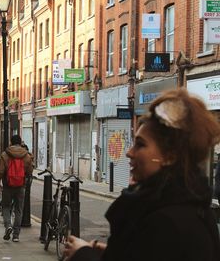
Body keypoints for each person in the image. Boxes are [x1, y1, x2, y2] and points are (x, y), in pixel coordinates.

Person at [64, 89, 220, 261]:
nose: (129, 153)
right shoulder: (193, 208)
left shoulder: (165, 222)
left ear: (170, 156)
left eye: (140, 144)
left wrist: (83, 255)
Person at [0, 135, 33, 242]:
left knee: (6, 207)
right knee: (19, 209)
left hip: (7, 186)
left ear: (11, 142)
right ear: (20, 143)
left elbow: (0, 171)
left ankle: (8, 226)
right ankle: (16, 235)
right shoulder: (26, 155)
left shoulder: (5, 154)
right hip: (20, 186)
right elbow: (30, 171)